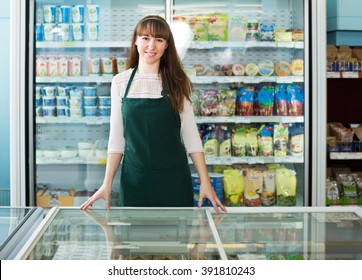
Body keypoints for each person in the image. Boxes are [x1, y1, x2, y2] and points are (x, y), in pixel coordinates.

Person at [80, 15, 226, 213]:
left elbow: (191, 138)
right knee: (134, 239)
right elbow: (116, 140)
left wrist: (206, 182)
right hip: (134, 179)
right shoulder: (120, 82)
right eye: (145, 38)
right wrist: (106, 184)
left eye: (159, 40)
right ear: (136, 41)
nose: (151, 45)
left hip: (173, 180)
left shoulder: (178, 82)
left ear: (166, 46)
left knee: (176, 241)